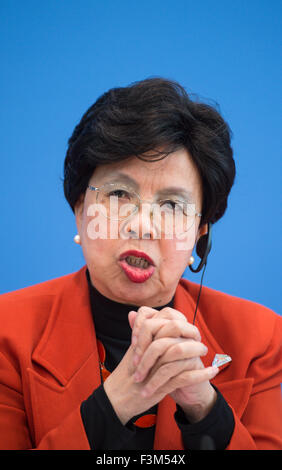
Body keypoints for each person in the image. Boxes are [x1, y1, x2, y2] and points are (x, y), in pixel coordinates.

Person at [0, 78, 281, 450]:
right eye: (119, 194)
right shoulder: (7, 331)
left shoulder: (258, 339)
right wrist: (118, 400)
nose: (143, 226)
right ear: (81, 210)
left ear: (200, 233)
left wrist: (205, 408)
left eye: (171, 206)